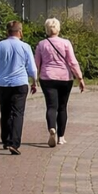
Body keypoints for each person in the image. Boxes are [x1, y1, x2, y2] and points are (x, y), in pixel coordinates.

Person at [0, 20, 37, 155]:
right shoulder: (25, 47)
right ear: (20, 32)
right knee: (17, 113)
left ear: (7, 32)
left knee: (5, 112)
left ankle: (6, 140)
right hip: (20, 83)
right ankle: (14, 143)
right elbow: (32, 68)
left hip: (3, 84)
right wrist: (34, 82)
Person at [34, 18, 85, 148]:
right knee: (62, 107)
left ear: (46, 29)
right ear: (59, 28)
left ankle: (52, 128)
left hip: (47, 78)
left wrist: (33, 80)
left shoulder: (41, 44)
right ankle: (61, 137)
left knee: (51, 106)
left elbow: (36, 64)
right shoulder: (66, 43)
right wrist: (80, 78)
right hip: (65, 78)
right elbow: (72, 61)